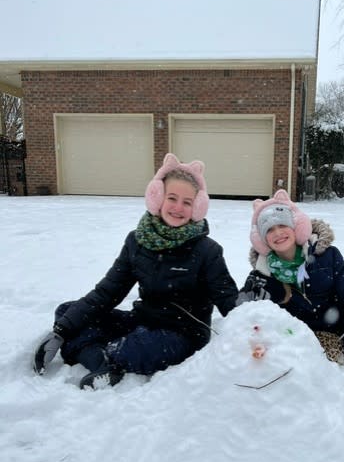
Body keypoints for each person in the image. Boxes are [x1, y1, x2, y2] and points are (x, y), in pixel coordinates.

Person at [33, 153, 239, 389]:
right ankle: (104, 362)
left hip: (182, 335)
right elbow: (107, 292)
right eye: (172, 198)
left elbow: (227, 299)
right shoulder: (137, 241)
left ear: (197, 207)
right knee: (68, 311)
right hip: (143, 320)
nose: (178, 207)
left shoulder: (208, 251)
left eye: (187, 202)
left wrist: (252, 316)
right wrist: (61, 331)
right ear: (157, 197)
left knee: (136, 346)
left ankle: (99, 355)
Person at [237, 189, 344, 385]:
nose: (278, 233)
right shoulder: (262, 275)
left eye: (282, 225)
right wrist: (245, 299)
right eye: (269, 230)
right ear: (262, 240)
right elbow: (244, 318)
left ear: (297, 227)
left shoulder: (329, 257)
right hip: (304, 339)